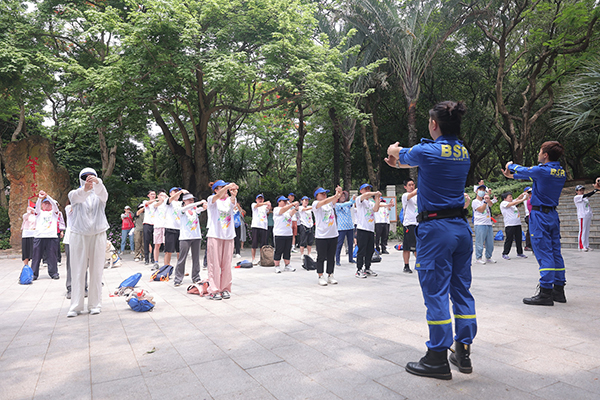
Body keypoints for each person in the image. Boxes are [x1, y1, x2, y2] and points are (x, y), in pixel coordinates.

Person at [386, 100, 475, 380]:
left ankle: (437, 357)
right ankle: (463, 352)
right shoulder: (463, 152)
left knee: (435, 292)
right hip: (461, 229)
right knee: (461, 290)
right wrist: (400, 161)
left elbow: (397, 154)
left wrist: (392, 154)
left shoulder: (427, 150)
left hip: (436, 230)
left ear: (434, 124)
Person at [502, 141, 567, 305]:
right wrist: (512, 176)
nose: (538, 154)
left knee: (543, 252)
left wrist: (511, 165)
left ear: (545, 155)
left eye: (540, 151)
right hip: (552, 215)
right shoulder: (560, 172)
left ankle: (545, 293)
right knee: (555, 252)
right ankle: (559, 290)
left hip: (540, 216)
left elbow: (525, 170)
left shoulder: (542, 170)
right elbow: (533, 176)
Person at [67, 167, 109, 317]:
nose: (88, 179)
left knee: (97, 271)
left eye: (91, 176)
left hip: (98, 234)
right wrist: (85, 188)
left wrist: (97, 183)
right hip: (79, 235)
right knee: (78, 270)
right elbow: (78, 196)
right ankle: (76, 306)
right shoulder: (74, 194)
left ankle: (95, 304)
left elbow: (103, 193)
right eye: (85, 177)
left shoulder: (100, 194)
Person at [205, 180, 238, 300]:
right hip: (215, 235)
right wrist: (228, 187)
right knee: (214, 264)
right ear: (216, 190)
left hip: (228, 236)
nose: (226, 189)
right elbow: (218, 196)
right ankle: (214, 290)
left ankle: (225, 289)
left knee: (226, 264)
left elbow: (233, 203)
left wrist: (233, 194)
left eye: (226, 187)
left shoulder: (229, 200)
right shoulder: (212, 199)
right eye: (222, 187)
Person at [173, 194, 207, 286]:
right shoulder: (182, 210)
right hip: (185, 237)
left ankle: (196, 276)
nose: (192, 202)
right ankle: (178, 278)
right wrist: (200, 202)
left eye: (193, 200)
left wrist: (204, 206)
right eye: (190, 200)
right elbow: (187, 207)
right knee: (182, 258)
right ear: (184, 200)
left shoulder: (195, 210)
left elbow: (201, 209)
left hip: (196, 236)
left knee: (196, 258)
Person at [312, 186, 342, 286]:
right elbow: (323, 202)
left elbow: (334, 200)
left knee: (331, 256)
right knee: (321, 257)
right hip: (321, 235)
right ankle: (320, 275)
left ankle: (330, 275)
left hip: (333, 234)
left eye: (325, 193)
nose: (325, 195)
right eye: (322, 194)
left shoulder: (329, 203)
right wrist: (335, 196)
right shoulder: (315, 204)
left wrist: (338, 192)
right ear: (317, 195)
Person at [31, 192, 64, 280]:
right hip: (39, 236)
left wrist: (48, 197)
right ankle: (34, 273)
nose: (47, 205)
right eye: (45, 203)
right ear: (42, 205)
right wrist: (39, 198)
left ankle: (54, 273)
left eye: (49, 203)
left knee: (52, 256)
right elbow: (37, 207)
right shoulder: (39, 213)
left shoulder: (55, 213)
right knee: (36, 256)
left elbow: (55, 205)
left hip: (51, 236)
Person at [354, 183, 381, 278]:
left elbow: (376, 209)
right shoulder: (359, 200)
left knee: (370, 250)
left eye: (369, 188)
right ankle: (359, 269)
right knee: (361, 250)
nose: (368, 191)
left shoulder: (370, 203)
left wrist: (377, 198)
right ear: (361, 191)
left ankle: (367, 267)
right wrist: (375, 193)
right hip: (362, 228)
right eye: (365, 189)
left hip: (370, 229)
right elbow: (365, 196)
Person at [273, 196, 299, 273]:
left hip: (288, 233)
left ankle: (287, 265)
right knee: (278, 250)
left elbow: (291, 213)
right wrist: (291, 205)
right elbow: (281, 211)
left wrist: (296, 208)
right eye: (283, 201)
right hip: (279, 233)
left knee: (287, 250)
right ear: (279, 201)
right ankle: (277, 266)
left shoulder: (288, 210)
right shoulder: (276, 209)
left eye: (285, 201)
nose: (285, 202)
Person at [471, 184, 496, 264]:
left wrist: (488, 199)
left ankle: (488, 257)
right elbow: (481, 210)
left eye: (483, 190)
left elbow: (491, 204)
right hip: (480, 224)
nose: (482, 191)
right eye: (480, 189)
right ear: (476, 191)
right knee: (480, 242)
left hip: (488, 223)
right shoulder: (475, 202)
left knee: (490, 242)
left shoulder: (484, 200)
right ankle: (478, 258)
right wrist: (485, 201)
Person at [499, 192, 527, 259]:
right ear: (505, 198)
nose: (511, 198)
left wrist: (522, 195)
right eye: (509, 197)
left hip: (517, 223)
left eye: (511, 197)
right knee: (509, 239)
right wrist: (524, 199)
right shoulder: (504, 203)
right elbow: (514, 203)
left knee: (518, 238)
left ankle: (520, 252)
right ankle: (505, 253)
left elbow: (517, 199)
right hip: (510, 224)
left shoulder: (512, 203)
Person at [163, 187, 185, 267]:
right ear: (170, 193)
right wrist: (181, 191)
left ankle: (180, 269)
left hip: (180, 229)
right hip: (170, 228)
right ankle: (166, 268)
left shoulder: (181, 203)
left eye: (178, 192)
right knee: (169, 251)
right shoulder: (168, 201)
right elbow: (171, 199)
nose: (177, 193)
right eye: (174, 192)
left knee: (180, 251)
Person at [574, 183, 598, 252]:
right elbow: (587, 195)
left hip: (588, 215)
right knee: (582, 231)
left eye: (582, 190)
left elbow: (588, 196)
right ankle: (581, 246)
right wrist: (595, 190)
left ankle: (587, 245)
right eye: (580, 190)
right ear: (576, 191)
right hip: (582, 216)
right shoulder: (577, 197)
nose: (581, 191)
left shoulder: (585, 198)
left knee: (587, 231)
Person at [401, 179, 418, 273]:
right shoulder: (405, 195)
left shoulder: (418, 196)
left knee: (417, 245)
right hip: (409, 224)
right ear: (405, 187)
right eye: (409, 185)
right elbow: (411, 194)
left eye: (413, 184)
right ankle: (407, 265)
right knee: (409, 246)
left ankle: (418, 264)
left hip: (418, 223)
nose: (412, 186)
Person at [335, 191, 355, 266]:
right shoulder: (337, 205)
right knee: (339, 244)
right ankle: (337, 260)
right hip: (341, 228)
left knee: (350, 243)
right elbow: (346, 204)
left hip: (350, 226)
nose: (343, 197)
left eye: (344, 196)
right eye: (341, 196)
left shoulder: (348, 204)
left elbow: (351, 204)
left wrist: (353, 199)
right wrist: (352, 200)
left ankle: (351, 258)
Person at [251, 194, 270, 265]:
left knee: (263, 244)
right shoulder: (254, 205)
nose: (260, 200)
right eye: (259, 198)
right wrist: (264, 203)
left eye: (261, 198)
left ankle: (262, 259)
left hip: (264, 226)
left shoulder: (265, 207)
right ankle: (253, 258)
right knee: (254, 243)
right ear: (256, 200)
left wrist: (269, 205)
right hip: (256, 226)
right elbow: (256, 206)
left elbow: (268, 210)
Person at [151, 190, 168, 269]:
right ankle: (156, 262)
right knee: (157, 245)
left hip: (166, 226)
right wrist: (161, 200)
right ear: (158, 196)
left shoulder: (168, 204)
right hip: (158, 226)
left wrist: (167, 199)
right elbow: (156, 204)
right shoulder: (155, 203)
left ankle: (166, 263)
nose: (163, 197)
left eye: (164, 195)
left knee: (166, 245)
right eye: (161, 195)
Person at [142, 190, 157, 265]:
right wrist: (155, 200)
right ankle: (146, 259)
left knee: (154, 242)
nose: (153, 195)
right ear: (148, 195)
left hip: (155, 224)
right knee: (146, 241)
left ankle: (153, 258)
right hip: (147, 224)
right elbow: (147, 203)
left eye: (154, 194)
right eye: (151, 194)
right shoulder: (145, 202)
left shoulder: (156, 203)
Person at [232, 188, 244, 258]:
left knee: (237, 239)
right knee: (231, 239)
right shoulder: (230, 208)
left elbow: (241, 211)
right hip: (231, 225)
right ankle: (231, 252)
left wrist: (238, 205)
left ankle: (238, 252)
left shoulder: (237, 210)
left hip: (238, 225)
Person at [523, 187, 533, 251]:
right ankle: (528, 245)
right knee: (530, 231)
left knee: (530, 230)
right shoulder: (526, 199)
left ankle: (530, 245)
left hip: (531, 216)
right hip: (528, 216)